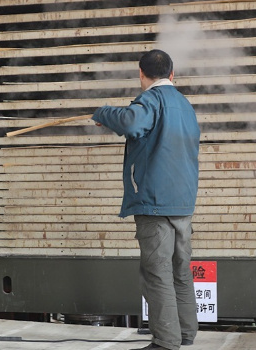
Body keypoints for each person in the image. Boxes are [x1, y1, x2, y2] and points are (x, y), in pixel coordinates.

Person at [91, 49, 200, 350]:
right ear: (172, 74)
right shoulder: (184, 105)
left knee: (157, 271)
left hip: (155, 201)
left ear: (141, 73)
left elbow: (130, 122)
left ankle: (166, 341)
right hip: (182, 201)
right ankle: (185, 332)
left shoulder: (150, 100)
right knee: (181, 268)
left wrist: (103, 113)